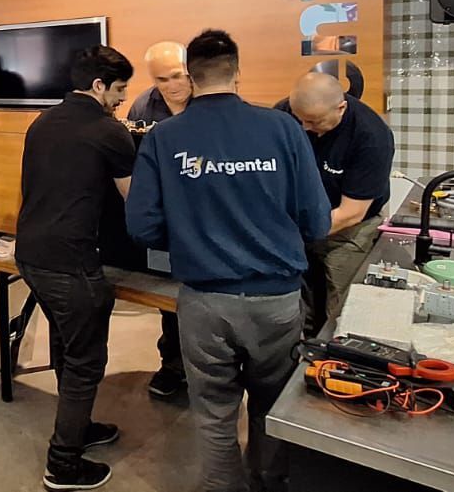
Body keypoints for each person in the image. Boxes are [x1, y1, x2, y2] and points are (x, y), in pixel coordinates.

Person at [126, 30, 330, 492]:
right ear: (238, 72)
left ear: (192, 78)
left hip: (203, 301)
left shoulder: (165, 138)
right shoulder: (283, 129)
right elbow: (317, 221)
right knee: (271, 403)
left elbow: (140, 226)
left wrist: (189, 237)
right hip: (276, 300)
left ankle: (221, 485)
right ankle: (269, 481)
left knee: (214, 409)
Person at [16, 45, 137, 491]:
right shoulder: (109, 131)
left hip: (31, 255)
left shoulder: (42, 122)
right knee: (87, 361)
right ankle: (63, 464)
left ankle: (78, 426)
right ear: (99, 85)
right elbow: (135, 202)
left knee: (68, 347)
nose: (123, 98)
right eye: (120, 89)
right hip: (70, 263)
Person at [275, 72, 395, 335]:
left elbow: (352, 212)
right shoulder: (286, 114)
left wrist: (296, 234)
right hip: (297, 223)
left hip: (348, 227)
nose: (305, 128)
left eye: (313, 121)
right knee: (289, 302)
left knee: (343, 307)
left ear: (340, 108)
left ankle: (334, 357)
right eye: (300, 119)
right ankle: (296, 358)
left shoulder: (371, 136)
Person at [126, 41, 194, 399]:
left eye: (179, 76)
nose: (172, 85)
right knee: (170, 300)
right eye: (162, 79)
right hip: (166, 220)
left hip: (204, 216)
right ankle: (172, 367)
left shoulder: (207, 102)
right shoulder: (143, 106)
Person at [126, 40, 193, 122]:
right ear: (153, 79)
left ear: (191, 71)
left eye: (177, 76)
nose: (172, 86)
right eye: (163, 80)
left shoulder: (209, 100)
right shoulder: (142, 108)